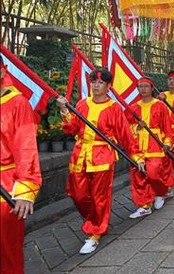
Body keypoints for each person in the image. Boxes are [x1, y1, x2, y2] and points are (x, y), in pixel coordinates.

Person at [57, 67, 138, 254]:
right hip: (80, 154)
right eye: (93, 82)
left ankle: (95, 232)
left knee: (99, 196)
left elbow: (125, 135)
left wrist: (137, 156)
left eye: (100, 82)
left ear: (108, 86)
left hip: (102, 155)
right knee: (77, 194)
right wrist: (63, 109)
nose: (96, 85)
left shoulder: (114, 108)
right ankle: (95, 220)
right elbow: (71, 128)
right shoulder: (82, 104)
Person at [0, 56, 42, 273]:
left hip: (6, 185)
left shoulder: (17, 103)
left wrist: (26, 187)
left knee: (6, 249)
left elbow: (26, 146)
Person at [127, 76, 174, 218]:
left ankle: (162, 192)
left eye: (146, 86)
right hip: (138, 146)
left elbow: (167, 127)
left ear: (151, 88)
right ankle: (144, 205)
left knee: (154, 173)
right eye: (140, 86)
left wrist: (167, 143)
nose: (143, 89)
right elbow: (127, 128)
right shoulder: (134, 107)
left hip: (155, 144)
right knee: (138, 176)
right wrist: (137, 127)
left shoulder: (160, 105)